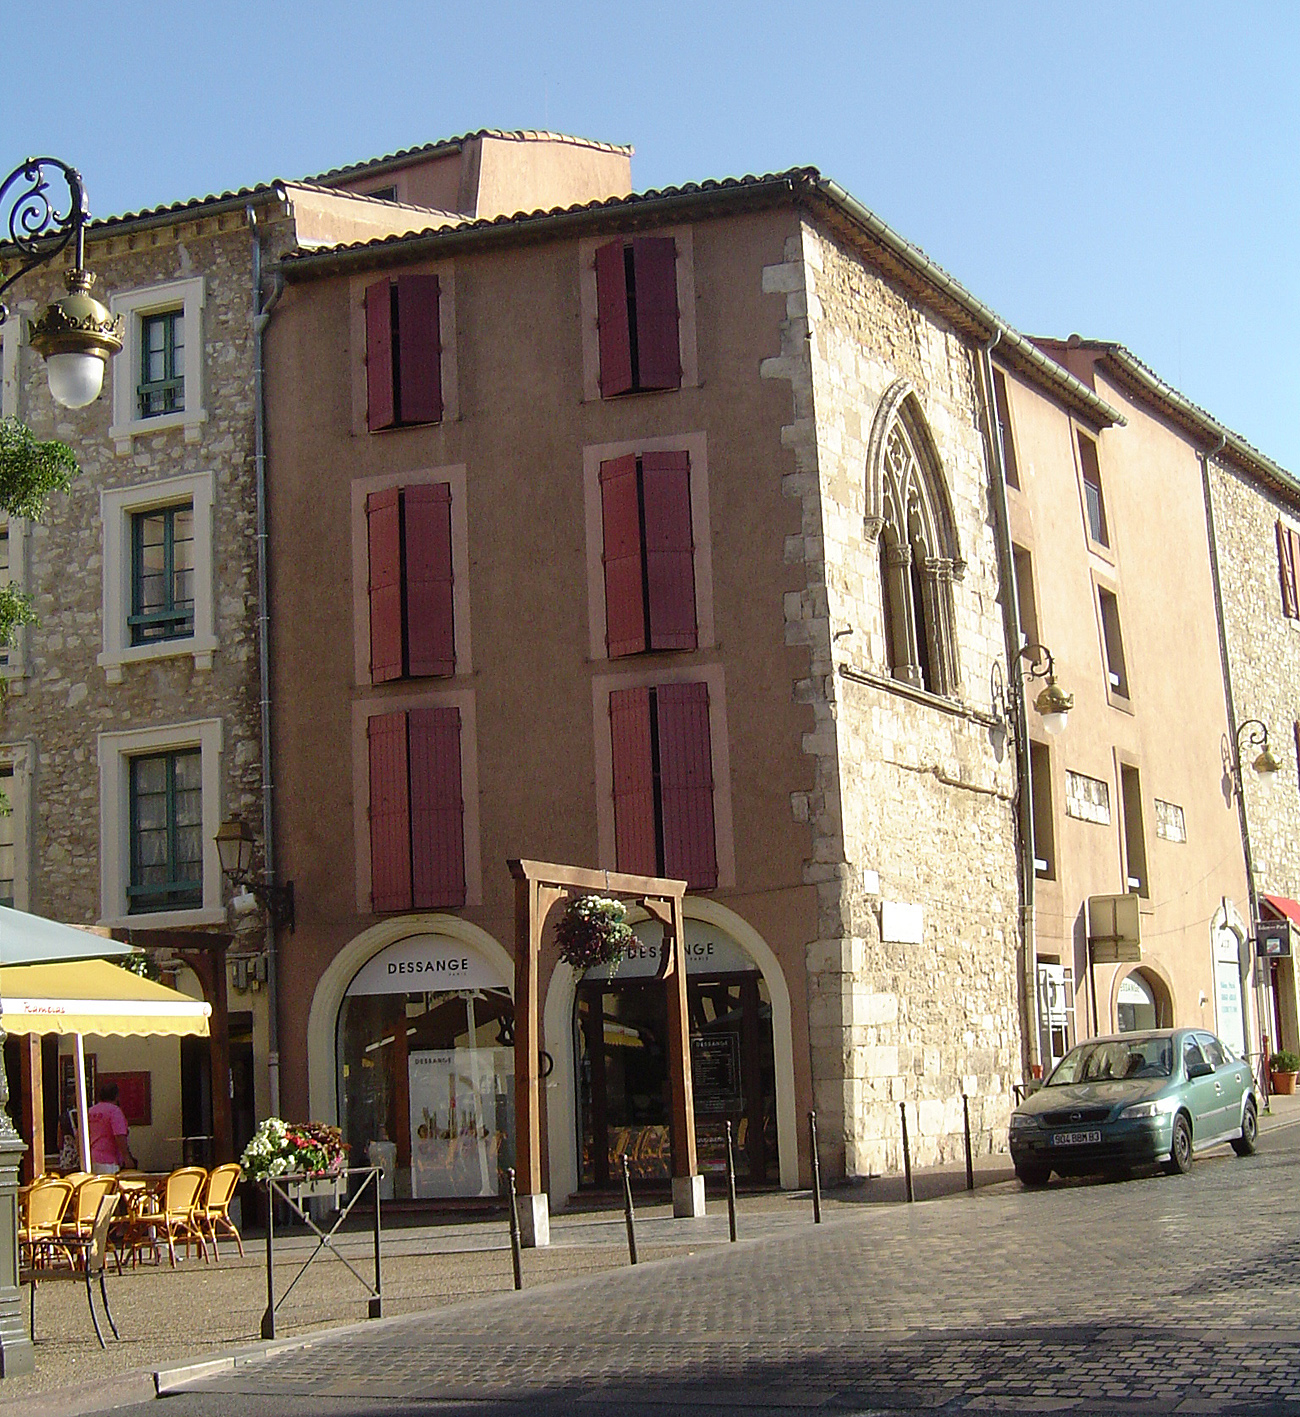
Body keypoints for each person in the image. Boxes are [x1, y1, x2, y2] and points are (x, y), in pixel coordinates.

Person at [87, 1080, 137, 1174]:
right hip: (109, 1162)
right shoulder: (114, 1111)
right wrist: (127, 1158)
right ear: (117, 1096)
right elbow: (119, 1136)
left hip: (91, 1160)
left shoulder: (90, 1111)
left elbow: (79, 1136)